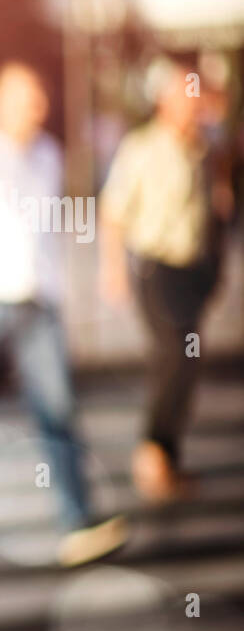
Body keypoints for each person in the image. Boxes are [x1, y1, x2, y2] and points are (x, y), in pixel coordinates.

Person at [0, 61, 127, 567]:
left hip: (38, 303)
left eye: (38, 97)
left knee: (57, 410)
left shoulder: (48, 154)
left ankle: (77, 520)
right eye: (21, 96)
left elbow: (46, 233)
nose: (33, 107)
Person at [99, 58, 231, 502]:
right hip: (157, 269)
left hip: (195, 270)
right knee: (172, 356)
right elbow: (113, 211)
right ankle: (151, 452)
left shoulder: (205, 149)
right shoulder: (141, 148)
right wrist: (112, 267)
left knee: (186, 363)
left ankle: (167, 456)